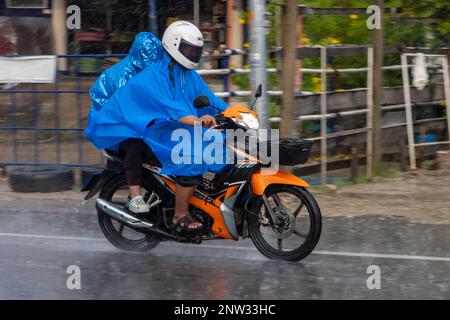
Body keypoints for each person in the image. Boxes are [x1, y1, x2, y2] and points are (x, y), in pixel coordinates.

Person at [86, 21, 228, 232]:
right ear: (173, 46)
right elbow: (169, 106)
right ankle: (176, 213)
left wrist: (230, 113)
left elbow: (207, 98)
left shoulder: (185, 74)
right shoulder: (149, 75)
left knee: (217, 145)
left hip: (154, 125)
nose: (193, 54)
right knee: (184, 156)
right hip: (126, 126)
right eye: (188, 49)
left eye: (196, 50)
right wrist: (196, 120)